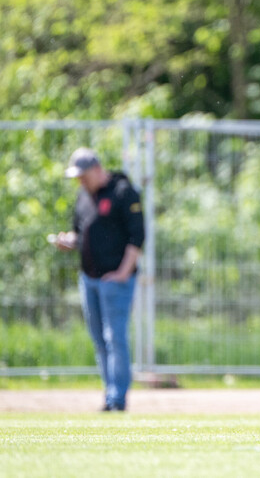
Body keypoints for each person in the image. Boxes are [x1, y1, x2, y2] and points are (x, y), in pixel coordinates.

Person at [51, 147, 144, 412]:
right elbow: (80, 231)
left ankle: (118, 398)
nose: (80, 181)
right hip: (89, 279)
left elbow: (137, 237)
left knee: (115, 337)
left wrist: (123, 273)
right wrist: (70, 240)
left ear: (96, 169)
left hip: (115, 280)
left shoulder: (123, 192)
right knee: (99, 339)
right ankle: (109, 394)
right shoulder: (84, 196)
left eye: (83, 176)